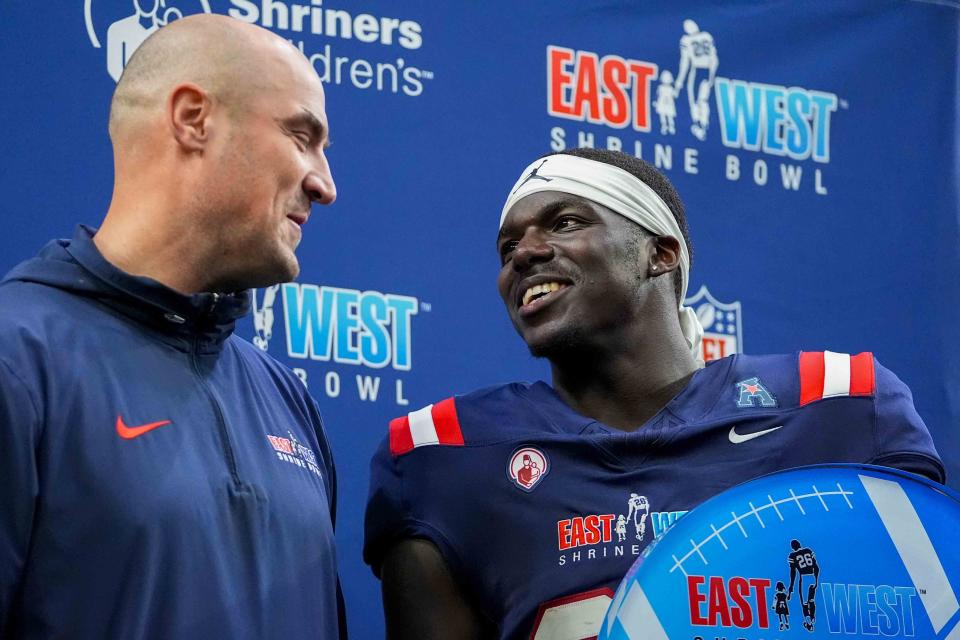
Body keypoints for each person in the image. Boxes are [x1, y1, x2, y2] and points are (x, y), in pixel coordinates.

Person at [363, 148, 944, 640]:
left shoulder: (836, 406)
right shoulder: (447, 458)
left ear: (660, 254)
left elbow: (927, 607)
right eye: (507, 246)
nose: (525, 252)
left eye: (564, 222)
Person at [0, 14, 342, 639]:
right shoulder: (17, 358)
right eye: (301, 136)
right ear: (193, 119)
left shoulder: (286, 398)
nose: (325, 184)